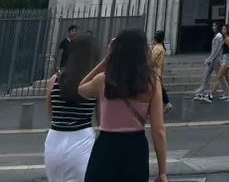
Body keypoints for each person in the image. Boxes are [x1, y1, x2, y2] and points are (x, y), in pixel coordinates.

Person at [78, 28, 167, 182]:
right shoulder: (152, 83)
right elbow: (158, 130)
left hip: (106, 146)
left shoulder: (103, 80)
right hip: (135, 148)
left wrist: (105, 61)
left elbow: (81, 88)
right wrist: (162, 172)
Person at [44, 34, 98, 182]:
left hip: (54, 139)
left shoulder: (54, 80)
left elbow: (50, 115)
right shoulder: (93, 82)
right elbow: (101, 118)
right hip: (81, 138)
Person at [194, 22, 223, 102]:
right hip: (213, 59)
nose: (213, 27)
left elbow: (216, 50)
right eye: (213, 25)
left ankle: (226, 91)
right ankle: (202, 89)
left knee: (219, 76)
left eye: (215, 25)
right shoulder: (216, 36)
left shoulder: (218, 36)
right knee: (207, 75)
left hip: (216, 60)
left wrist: (209, 59)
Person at [210, 24, 229, 101]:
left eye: (224, 29)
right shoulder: (224, 38)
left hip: (226, 59)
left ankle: (211, 95)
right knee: (228, 77)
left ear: (227, 30)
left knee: (218, 77)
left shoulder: (227, 39)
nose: (223, 30)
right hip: (226, 58)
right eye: (222, 29)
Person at [151, 31, 173, 113]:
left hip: (154, 71)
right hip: (158, 71)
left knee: (154, 90)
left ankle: (155, 108)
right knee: (159, 88)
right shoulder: (162, 48)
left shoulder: (157, 49)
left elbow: (151, 60)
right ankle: (167, 103)